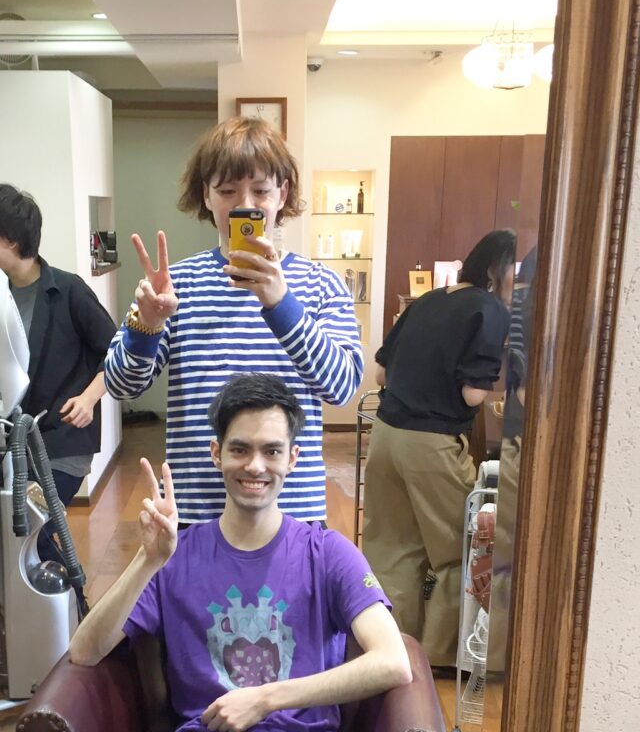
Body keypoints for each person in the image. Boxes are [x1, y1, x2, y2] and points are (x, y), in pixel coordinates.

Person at [70, 373, 410, 732]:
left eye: (272, 451)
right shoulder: (172, 556)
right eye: (240, 449)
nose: (255, 466)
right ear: (217, 453)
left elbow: (393, 661)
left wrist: (266, 699)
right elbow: (85, 651)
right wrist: (148, 560)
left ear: (292, 458)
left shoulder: (328, 553)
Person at [105, 117, 363, 525]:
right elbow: (121, 386)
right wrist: (146, 327)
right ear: (205, 196)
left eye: (261, 190)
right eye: (227, 191)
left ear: (283, 194)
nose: (246, 204)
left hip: (292, 512)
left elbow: (342, 387)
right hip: (196, 510)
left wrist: (281, 303)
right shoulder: (176, 285)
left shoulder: (320, 283)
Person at [362, 229, 515, 668]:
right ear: (496, 269)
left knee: (391, 552)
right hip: (431, 445)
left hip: (385, 435)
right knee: (458, 552)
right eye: (516, 272)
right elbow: (472, 394)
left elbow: (381, 376)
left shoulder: (427, 300)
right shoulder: (490, 310)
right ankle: (439, 660)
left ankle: (388, 655)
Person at [0, 183, 117, 569]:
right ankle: (59, 602)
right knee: (21, 539)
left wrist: (89, 398)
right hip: (14, 444)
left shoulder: (68, 291)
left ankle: (76, 602)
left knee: (37, 533)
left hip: (62, 444)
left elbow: (117, 350)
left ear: (12, 239)